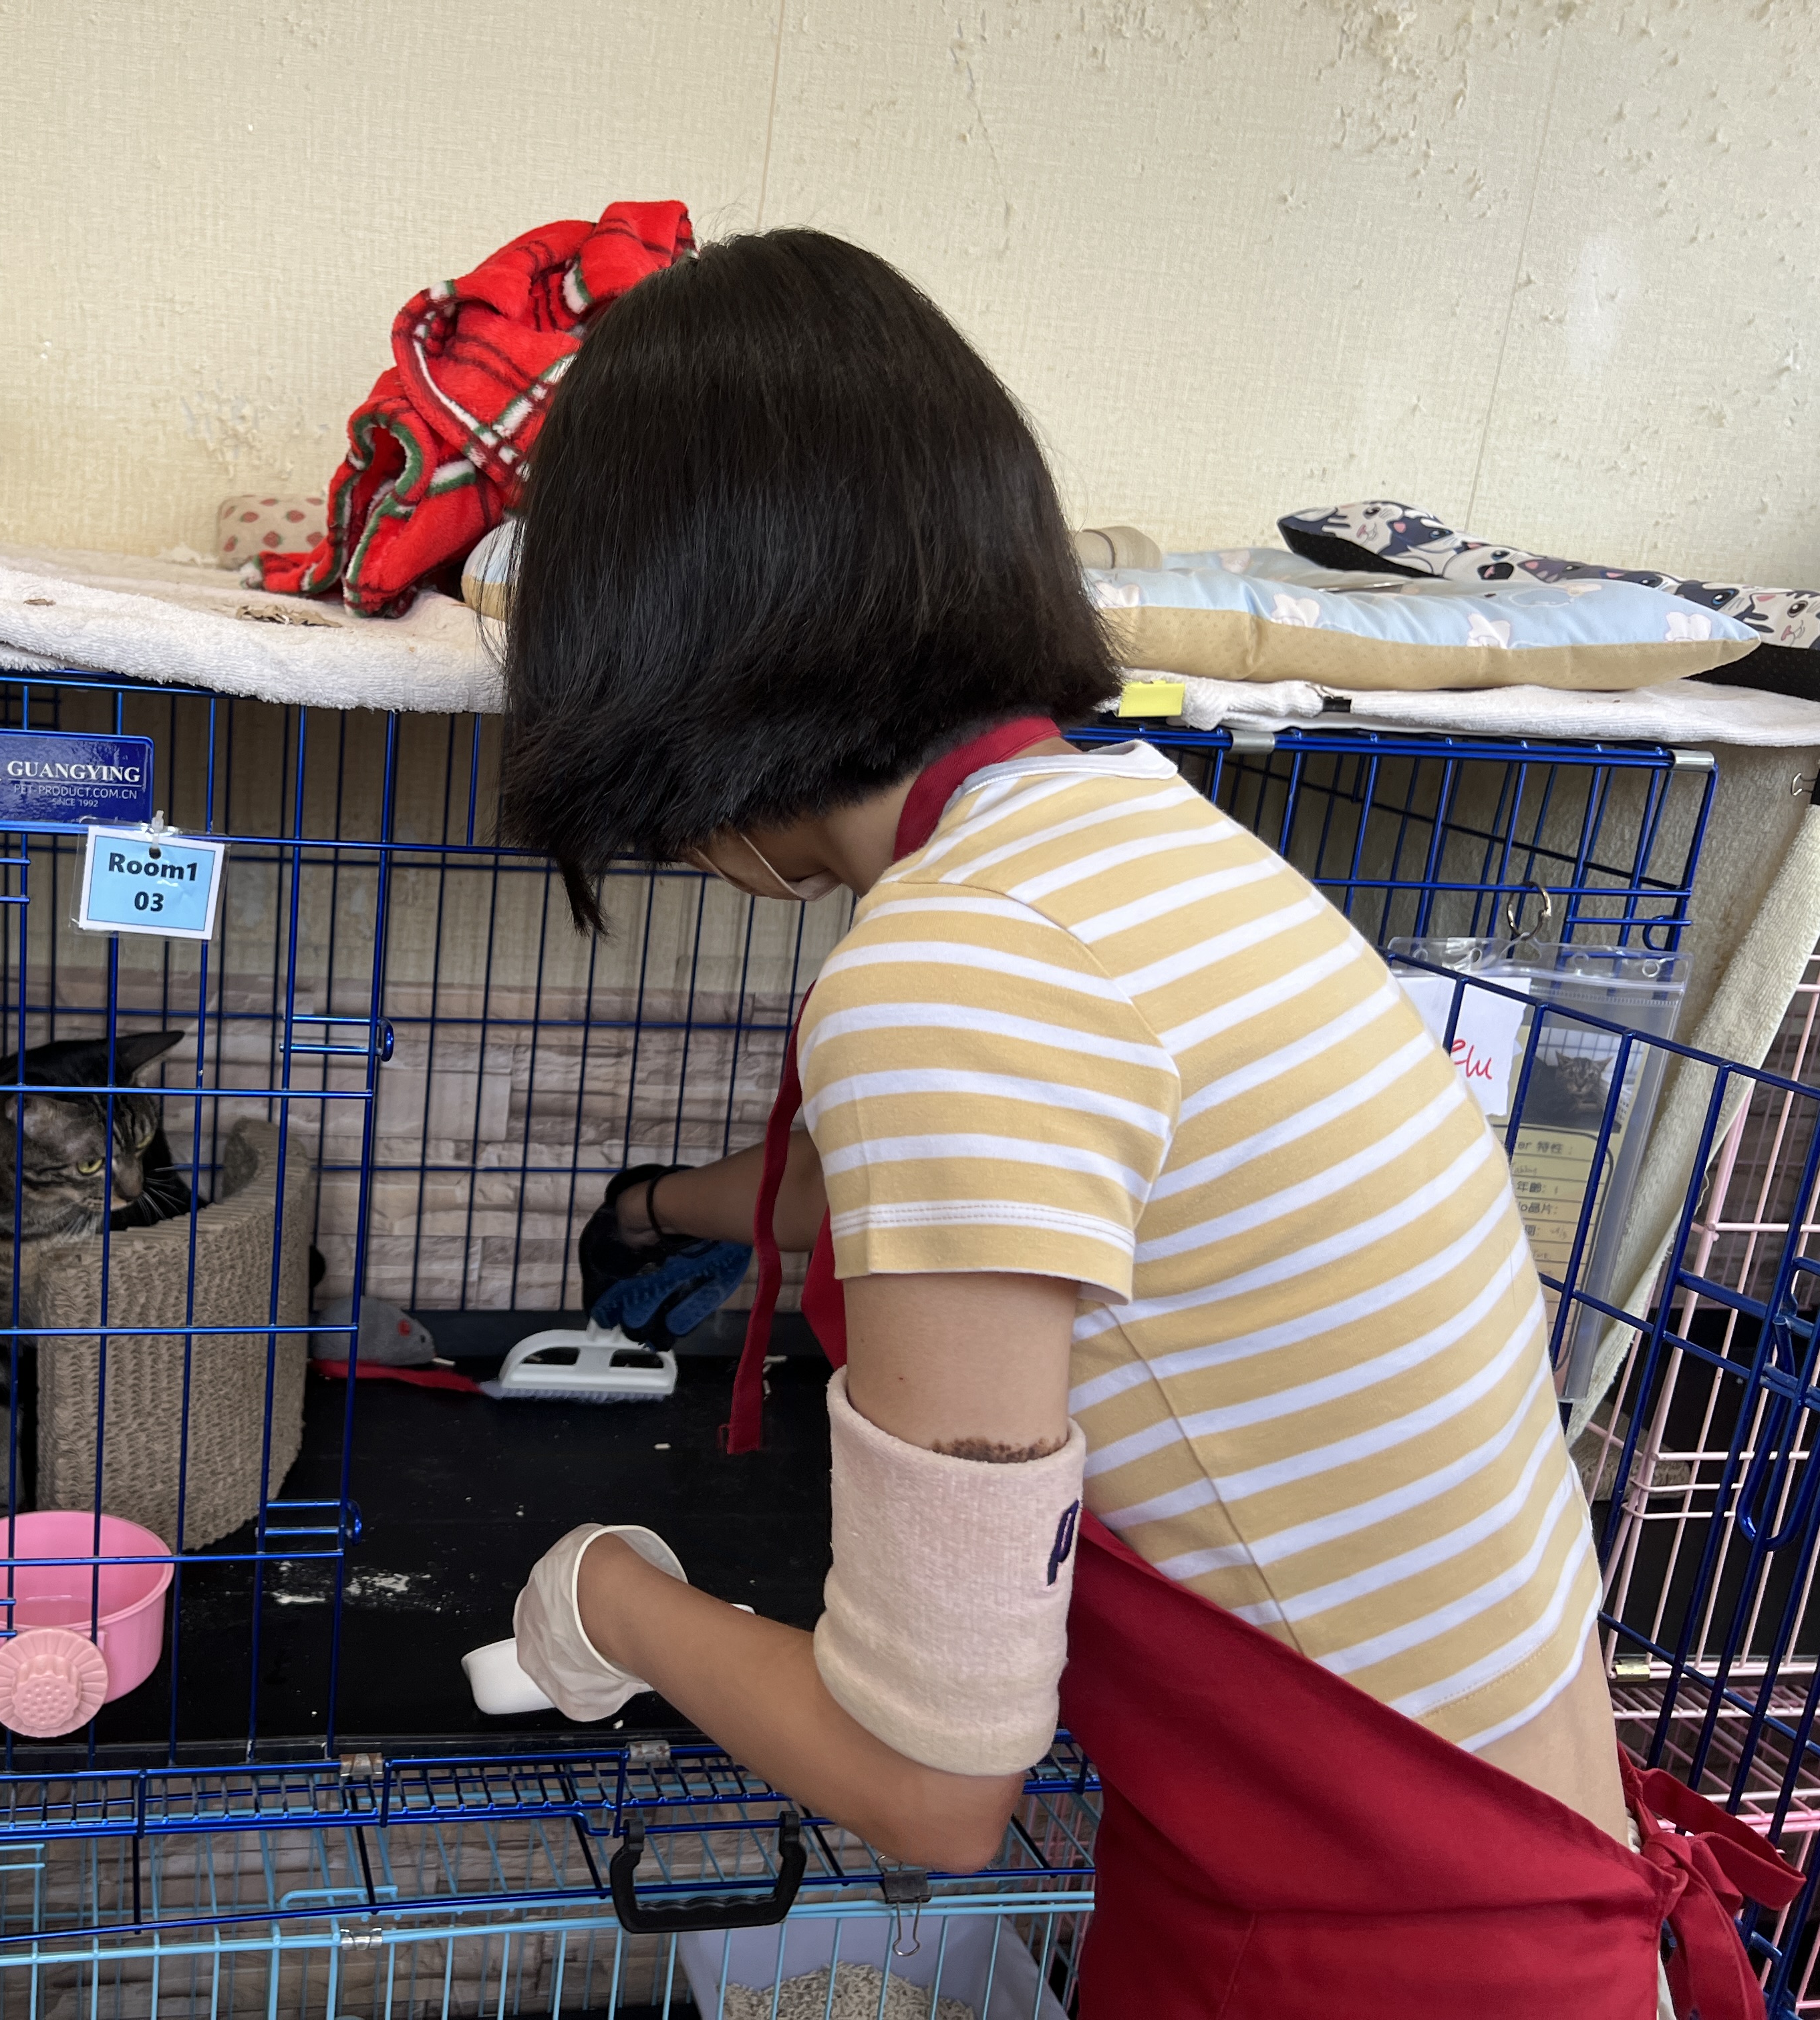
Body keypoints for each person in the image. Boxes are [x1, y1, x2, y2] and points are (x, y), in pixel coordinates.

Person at [492, 228, 1795, 2019]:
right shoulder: (1138, 850)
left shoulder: (954, 979)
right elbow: (923, 1185)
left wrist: (608, 1600)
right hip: (1526, 1887)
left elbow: (931, 1781)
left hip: (1380, 1956)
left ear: (673, 665)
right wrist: (652, 1210)